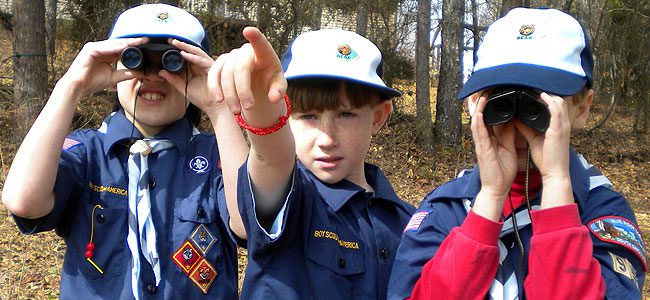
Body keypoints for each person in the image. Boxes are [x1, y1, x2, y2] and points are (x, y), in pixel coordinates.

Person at [387, 7, 646, 300]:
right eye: (502, 104)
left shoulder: (602, 212)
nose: (520, 126)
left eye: (540, 106)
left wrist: (556, 184)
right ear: (476, 105)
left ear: (582, 108)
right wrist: (490, 199)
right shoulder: (446, 209)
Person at [1, 3, 247, 299]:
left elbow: (248, 222)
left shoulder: (217, 153)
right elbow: (23, 201)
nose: (154, 75)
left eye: (173, 63)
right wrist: (71, 86)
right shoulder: (89, 152)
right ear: (114, 65)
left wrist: (218, 107)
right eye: (137, 60)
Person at [211, 27, 416, 299]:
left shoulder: (410, 222)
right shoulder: (291, 198)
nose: (327, 138)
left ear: (378, 117)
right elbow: (270, 158)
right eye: (308, 116)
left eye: (346, 115)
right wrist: (261, 105)